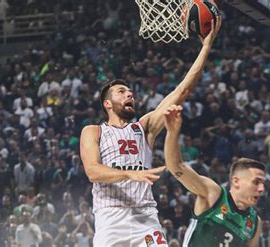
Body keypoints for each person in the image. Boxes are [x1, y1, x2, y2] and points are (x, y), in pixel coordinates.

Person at [79, 17, 222, 247]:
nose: (129, 95)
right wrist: (130, 174)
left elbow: (183, 89)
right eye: (121, 92)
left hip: (145, 218)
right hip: (110, 219)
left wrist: (206, 47)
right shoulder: (93, 131)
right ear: (107, 104)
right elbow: (93, 171)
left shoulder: (143, 128)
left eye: (130, 92)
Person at [163, 105, 264, 247]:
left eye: (262, 183)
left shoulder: (254, 222)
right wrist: (172, 133)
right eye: (256, 182)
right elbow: (176, 167)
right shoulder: (214, 194)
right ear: (237, 181)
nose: (261, 188)